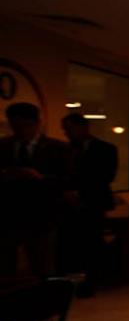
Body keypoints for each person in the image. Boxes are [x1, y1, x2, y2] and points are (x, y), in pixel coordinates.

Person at [0, 102, 72, 278]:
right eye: (15, 126)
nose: (21, 131)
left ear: (37, 123)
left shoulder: (58, 148)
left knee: (42, 265)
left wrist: (41, 178)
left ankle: (43, 301)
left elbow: (69, 180)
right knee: (4, 266)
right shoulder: (3, 146)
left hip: (42, 215)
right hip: (7, 215)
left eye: (26, 125)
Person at [59, 112, 117, 296]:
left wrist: (82, 193)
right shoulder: (65, 150)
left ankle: (91, 281)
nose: (68, 134)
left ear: (83, 127)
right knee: (69, 245)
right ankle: (72, 283)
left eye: (70, 129)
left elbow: (106, 176)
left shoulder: (106, 149)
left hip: (93, 203)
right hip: (69, 206)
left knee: (91, 243)